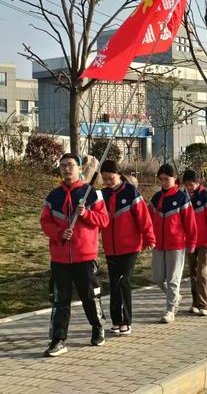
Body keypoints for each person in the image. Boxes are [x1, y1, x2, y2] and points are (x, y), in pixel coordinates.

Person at [40, 153, 109, 357]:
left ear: (80, 168)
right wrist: (60, 233)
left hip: (84, 257)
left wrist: (86, 214)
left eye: (70, 165)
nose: (66, 169)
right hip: (60, 258)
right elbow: (45, 222)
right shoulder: (53, 196)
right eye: (63, 166)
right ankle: (58, 339)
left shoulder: (92, 194)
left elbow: (104, 220)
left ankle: (98, 328)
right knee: (60, 300)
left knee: (90, 297)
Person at [100, 160, 155, 336]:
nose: (108, 182)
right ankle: (116, 320)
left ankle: (126, 321)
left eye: (111, 178)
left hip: (130, 246)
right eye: (105, 179)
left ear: (119, 174)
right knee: (114, 284)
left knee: (123, 282)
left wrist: (149, 238)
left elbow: (143, 217)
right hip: (111, 247)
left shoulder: (131, 192)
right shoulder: (102, 194)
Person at [149, 164, 197, 323]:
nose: (163, 182)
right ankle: (175, 296)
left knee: (173, 279)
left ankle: (170, 310)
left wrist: (192, 241)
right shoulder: (156, 198)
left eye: (166, 179)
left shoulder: (182, 198)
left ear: (175, 178)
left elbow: (190, 223)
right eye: (161, 179)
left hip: (176, 245)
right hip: (158, 244)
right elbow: (148, 220)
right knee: (157, 278)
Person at [182, 169, 207, 316]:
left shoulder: (206, 196)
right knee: (192, 272)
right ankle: (195, 303)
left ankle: (205, 304)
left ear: (198, 182)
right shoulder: (183, 197)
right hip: (190, 241)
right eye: (187, 185)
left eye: (191, 184)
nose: (189, 187)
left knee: (202, 272)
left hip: (205, 241)